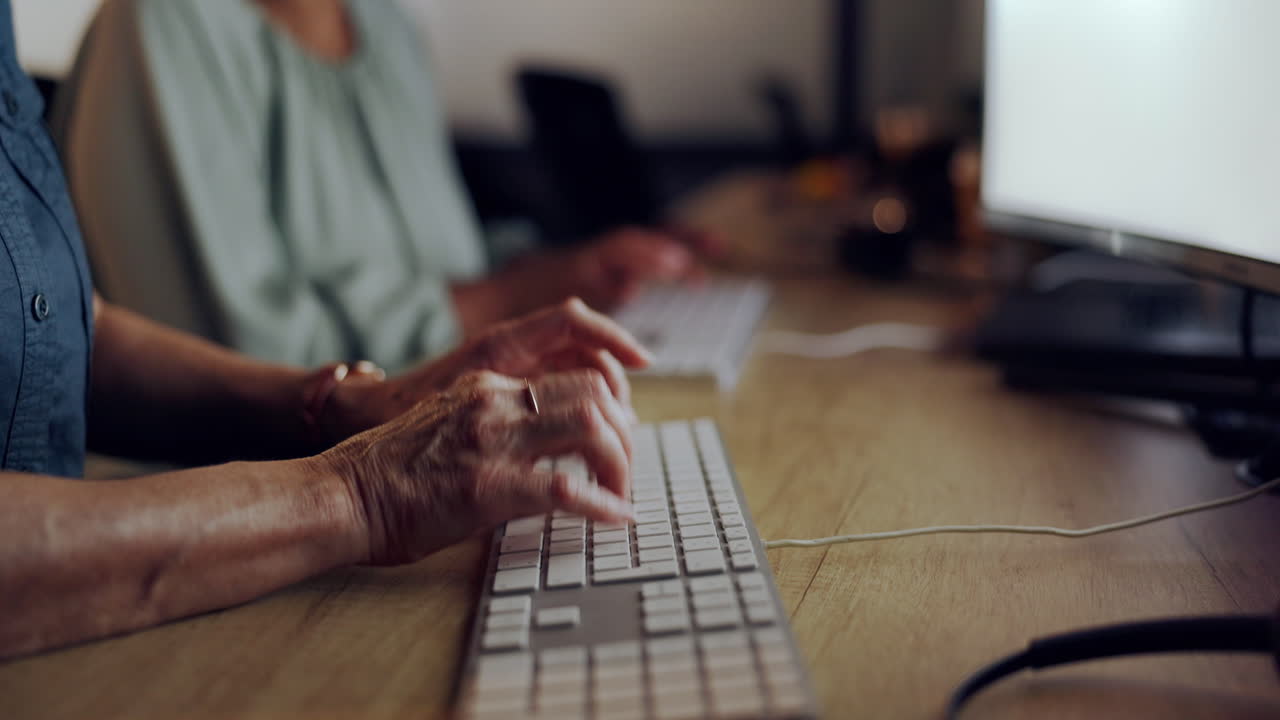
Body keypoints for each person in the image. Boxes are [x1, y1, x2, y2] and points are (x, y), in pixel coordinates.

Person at [0, 0, 646, 661]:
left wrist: (347, 405)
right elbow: (230, 328)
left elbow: (71, 333)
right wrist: (362, 494)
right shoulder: (161, 23)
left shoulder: (390, 28)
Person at [55, 0, 719, 373]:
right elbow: (230, 365)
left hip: (435, 435)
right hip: (252, 510)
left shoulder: (389, 31)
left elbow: (441, 258)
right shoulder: (163, 22)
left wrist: (568, 267)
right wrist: (502, 298)